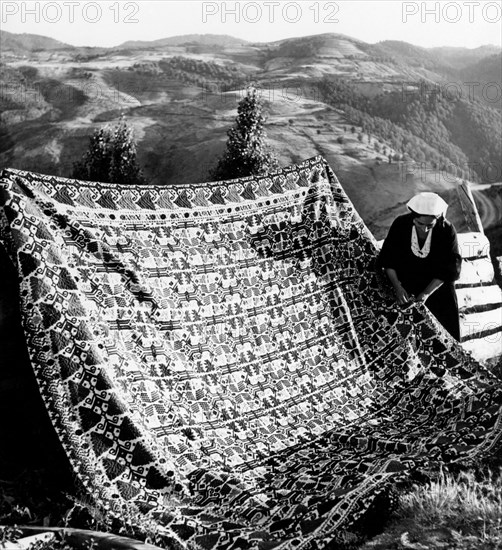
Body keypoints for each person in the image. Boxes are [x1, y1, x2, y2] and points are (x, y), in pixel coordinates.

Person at [377, 192, 462, 340]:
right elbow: (388, 259)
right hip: (406, 286)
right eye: (420, 224)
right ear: (413, 218)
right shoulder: (401, 224)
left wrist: (427, 293)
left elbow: (450, 269)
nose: (424, 229)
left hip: (437, 289)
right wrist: (397, 287)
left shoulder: (446, 230)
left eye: (430, 225)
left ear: (438, 219)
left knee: (442, 335)